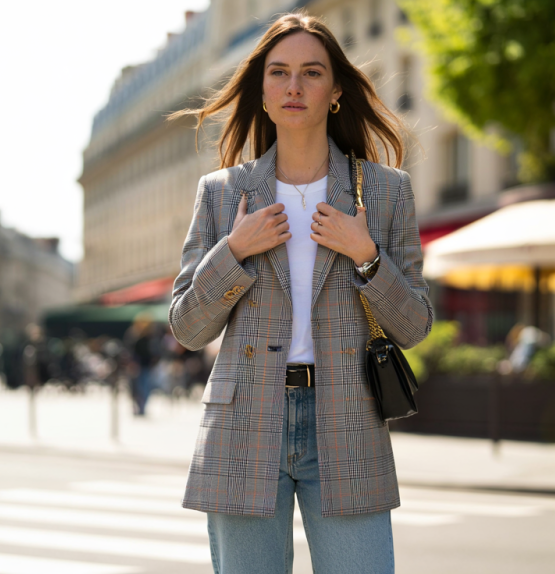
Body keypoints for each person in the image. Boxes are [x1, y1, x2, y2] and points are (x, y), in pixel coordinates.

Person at [168, 12, 432, 574]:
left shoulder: (386, 192)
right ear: (260, 89)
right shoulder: (222, 194)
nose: (294, 87)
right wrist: (233, 251)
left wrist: (367, 257)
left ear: (336, 90)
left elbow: (414, 326)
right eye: (279, 72)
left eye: (311, 72)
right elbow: (188, 328)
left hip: (350, 420)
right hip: (243, 423)